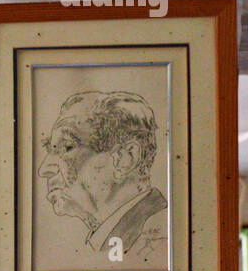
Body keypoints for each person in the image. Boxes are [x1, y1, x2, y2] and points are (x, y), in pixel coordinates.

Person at [37, 91, 167, 260]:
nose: (44, 169)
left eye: (67, 147)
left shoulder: (158, 244)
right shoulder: (125, 242)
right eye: (51, 150)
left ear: (125, 158)